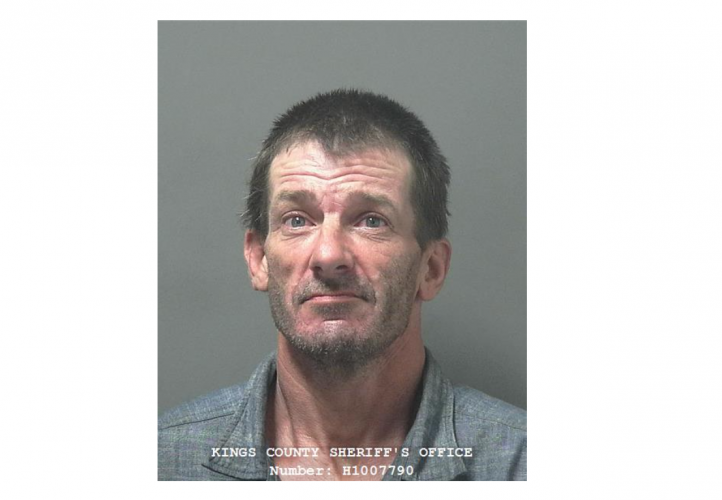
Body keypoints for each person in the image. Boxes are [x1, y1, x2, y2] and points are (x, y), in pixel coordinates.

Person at [158, 89, 526, 481]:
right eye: (297, 220)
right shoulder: (161, 463)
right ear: (259, 258)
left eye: (371, 220)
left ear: (431, 269)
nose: (329, 254)